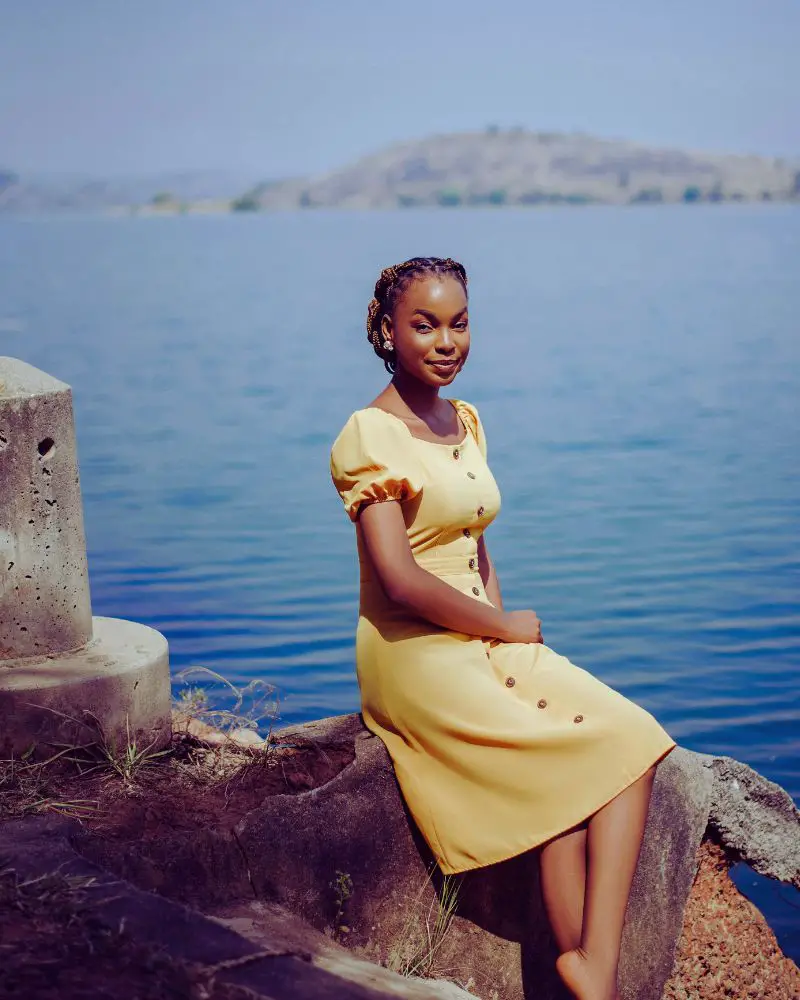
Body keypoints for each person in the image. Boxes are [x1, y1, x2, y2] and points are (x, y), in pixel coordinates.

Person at [329, 256, 676, 1000]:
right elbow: (400, 579)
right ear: (387, 331)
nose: (445, 340)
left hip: (478, 633)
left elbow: (475, 545)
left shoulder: (467, 420)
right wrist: (503, 625)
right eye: (424, 325)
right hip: (412, 651)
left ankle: (593, 967)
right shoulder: (368, 435)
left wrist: (505, 640)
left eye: (458, 323)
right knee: (558, 769)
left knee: (634, 739)